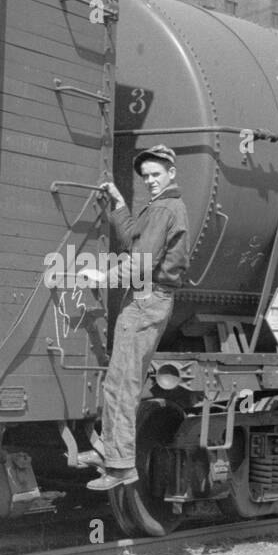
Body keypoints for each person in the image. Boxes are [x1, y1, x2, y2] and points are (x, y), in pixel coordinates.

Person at [81, 144, 189, 490]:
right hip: (148, 299)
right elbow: (134, 242)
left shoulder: (166, 208)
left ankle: (121, 465)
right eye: (145, 177)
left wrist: (103, 278)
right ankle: (110, 453)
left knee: (123, 383)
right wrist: (120, 206)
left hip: (147, 298)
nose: (150, 181)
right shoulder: (160, 207)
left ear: (171, 173)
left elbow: (141, 262)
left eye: (156, 174)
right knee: (118, 381)